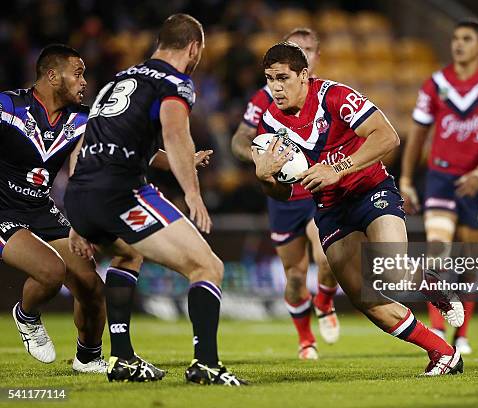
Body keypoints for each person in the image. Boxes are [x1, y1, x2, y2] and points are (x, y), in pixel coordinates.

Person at [252, 41, 465, 375]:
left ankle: (430, 283)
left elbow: (388, 137)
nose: (276, 87)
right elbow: (280, 193)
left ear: (304, 75)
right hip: (330, 210)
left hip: (370, 191)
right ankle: (444, 353)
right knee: (367, 299)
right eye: (269, 79)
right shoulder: (268, 124)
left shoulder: (335, 97)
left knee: (391, 271)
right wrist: (265, 178)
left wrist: (336, 168)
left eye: (283, 78)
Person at [65, 14, 245, 386]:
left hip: (82, 191)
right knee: (208, 267)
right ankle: (206, 365)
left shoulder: (120, 80)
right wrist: (193, 191)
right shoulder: (175, 82)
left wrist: (76, 216)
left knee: (128, 253)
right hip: (121, 193)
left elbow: (89, 143)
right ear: (193, 48)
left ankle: (123, 358)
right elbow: (176, 133)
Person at [0, 44, 141, 373]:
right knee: (51, 271)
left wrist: (180, 161)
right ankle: (26, 315)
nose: (84, 82)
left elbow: (126, 147)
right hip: (4, 212)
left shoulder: (81, 118)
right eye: (77, 74)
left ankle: (89, 356)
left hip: (41, 209)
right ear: (52, 75)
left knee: (92, 287)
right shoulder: (8, 106)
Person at [231, 28, 339, 360]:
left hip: (317, 190)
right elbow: (240, 138)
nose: (303, 53)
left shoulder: (329, 96)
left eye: (308, 49)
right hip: (283, 197)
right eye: (296, 48)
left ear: (315, 58)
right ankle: (306, 338)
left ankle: (324, 298)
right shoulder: (265, 97)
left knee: (327, 257)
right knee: (293, 276)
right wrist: (257, 158)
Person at [400, 20, 478, 355]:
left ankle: (462, 333)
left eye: (467, 39)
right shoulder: (435, 84)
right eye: (455, 39)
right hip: (441, 179)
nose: (458, 44)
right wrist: (405, 179)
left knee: (469, 263)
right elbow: (417, 134)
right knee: (437, 252)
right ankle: (438, 326)